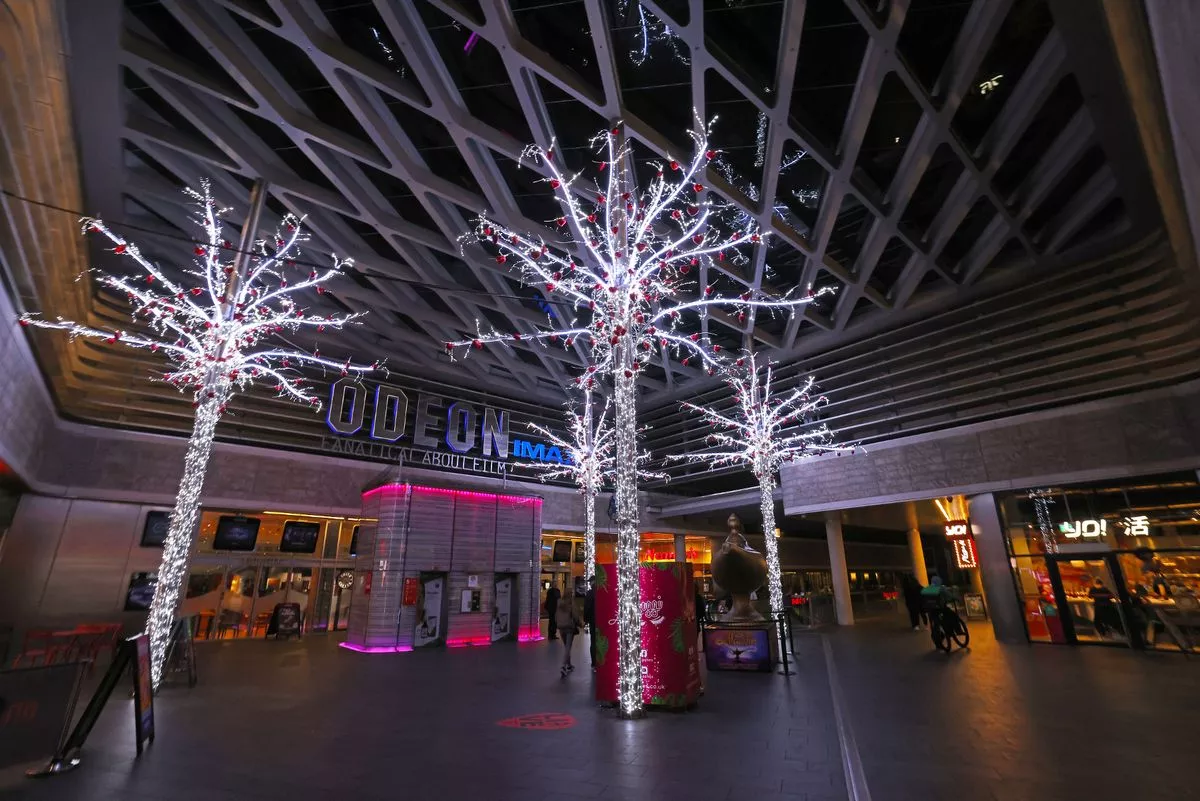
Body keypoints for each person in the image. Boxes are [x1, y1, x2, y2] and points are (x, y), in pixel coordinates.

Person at [555, 593, 581, 677]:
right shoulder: (571, 604)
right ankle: (563, 666)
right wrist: (580, 624)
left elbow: (556, 616)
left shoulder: (559, 604)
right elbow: (576, 617)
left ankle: (569, 665)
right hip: (569, 628)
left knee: (566, 646)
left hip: (561, 628)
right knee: (568, 647)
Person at [583, 576, 597, 669]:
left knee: (593, 641)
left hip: (593, 620)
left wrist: (586, 620)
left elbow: (587, 608)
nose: (589, 583)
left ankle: (594, 663)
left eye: (590, 582)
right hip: (602, 621)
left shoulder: (590, 593)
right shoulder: (602, 591)